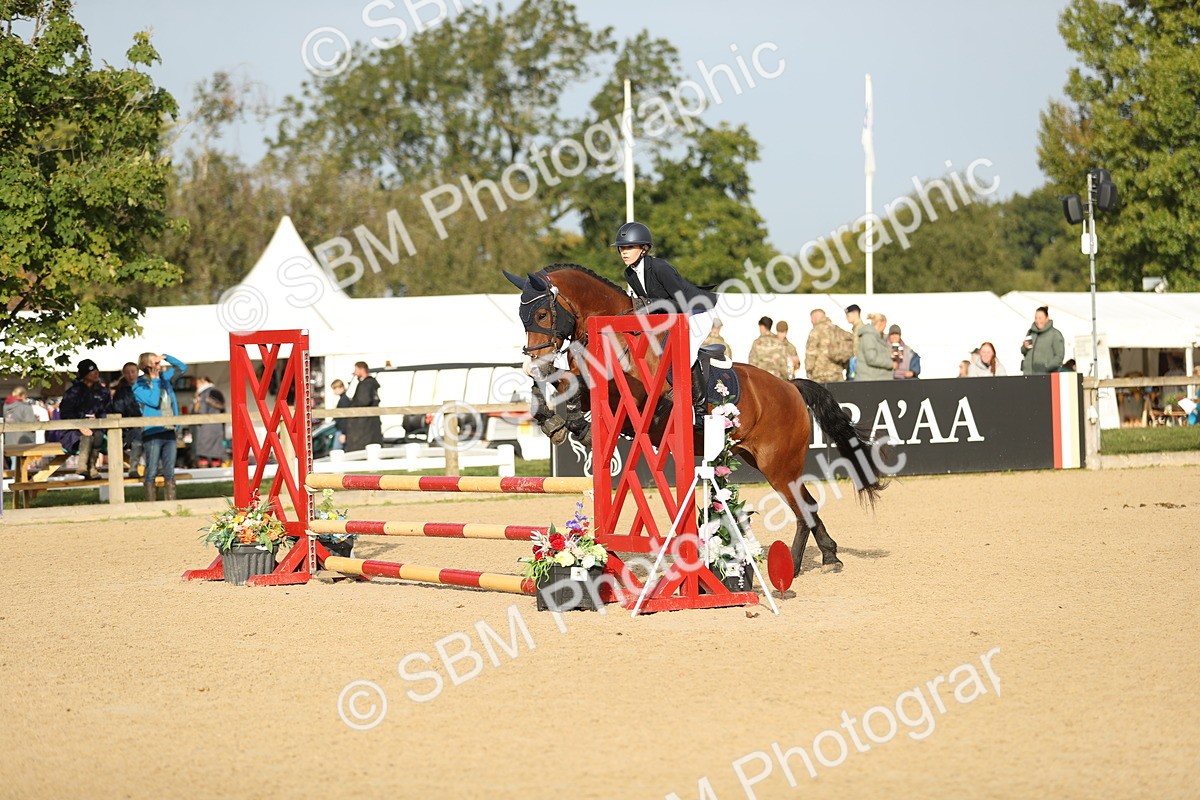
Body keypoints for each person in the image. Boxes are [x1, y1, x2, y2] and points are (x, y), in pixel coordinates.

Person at [611, 221, 720, 424]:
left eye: (629, 247)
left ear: (644, 249)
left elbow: (682, 302)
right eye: (622, 248)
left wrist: (652, 303)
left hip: (697, 310)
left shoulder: (660, 268)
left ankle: (700, 409)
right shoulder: (630, 273)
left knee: (685, 354)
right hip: (673, 315)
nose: (624, 252)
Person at [134, 351, 187, 501]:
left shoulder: (164, 379)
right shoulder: (139, 385)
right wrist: (155, 380)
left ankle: (170, 503)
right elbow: (153, 401)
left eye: (158, 362)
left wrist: (166, 357)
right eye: (154, 363)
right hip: (152, 431)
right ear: (145, 366)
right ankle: (151, 504)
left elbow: (182, 368)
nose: (159, 365)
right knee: (151, 470)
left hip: (168, 428)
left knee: (169, 470)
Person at [59, 359, 113, 479]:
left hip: (97, 427)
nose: (95, 373)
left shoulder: (103, 392)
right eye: (91, 371)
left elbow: (108, 410)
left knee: (98, 435)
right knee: (87, 436)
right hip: (73, 430)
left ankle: (91, 467)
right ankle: (83, 466)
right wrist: (80, 425)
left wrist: (98, 418)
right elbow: (66, 412)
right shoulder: (73, 392)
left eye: (96, 370)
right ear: (84, 375)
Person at [110, 362, 144, 478]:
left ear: (138, 372)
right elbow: (118, 411)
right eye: (127, 373)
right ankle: (133, 468)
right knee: (138, 437)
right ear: (124, 374)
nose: (130, 375)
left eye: (133, 372)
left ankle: (157, 467)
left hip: (147, 424)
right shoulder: (121, 392)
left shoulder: (146, 387)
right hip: (129, 428)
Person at [343, 361, 383, 453]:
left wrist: (352, 408)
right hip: (370, 424)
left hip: (363, 426)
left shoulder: (366, 385)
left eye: (356, 369)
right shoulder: (370, 384)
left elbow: (363, 401)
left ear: (362, 369)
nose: (354, 372)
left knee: (360, 451)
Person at [191, 376, 226, 468]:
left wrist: (197, 402)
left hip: (206, 428)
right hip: (216, 426)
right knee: (214, 453)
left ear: (203, 381)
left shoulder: (205, 394)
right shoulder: (215, 392)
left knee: (205, 454)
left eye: (198, 383)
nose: (197, 385)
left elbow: (201, 412)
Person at [804, 309, 846, 383]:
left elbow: (811, 353)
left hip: (820, 375)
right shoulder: (837, 329)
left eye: (812, 319)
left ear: (815, 317)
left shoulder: (816, 331)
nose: (811, 321)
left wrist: (808, 370)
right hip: (837, 373)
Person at [1020, 306, 1065, 375]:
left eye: (1040, 318)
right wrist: (1025, 347)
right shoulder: (1031, 332)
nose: (1038, 321)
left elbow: (1059, 357)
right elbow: (1023, 351)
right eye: (1036, 318)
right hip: (1028, 374)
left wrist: (1046, 367)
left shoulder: (1055, 334)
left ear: (1047, 318)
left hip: (1045, 376)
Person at [855, 314, 895, 381]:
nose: (885, 327)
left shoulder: (876, 337)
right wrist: (891, 364)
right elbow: (871, 358)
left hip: (875, 378)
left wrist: (889, 354)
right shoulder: (868, 337)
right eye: (885, 324)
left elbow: (877, 353)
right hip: (869, 380)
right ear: (880, 323)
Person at [330, 379, 351, 451]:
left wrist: (343, 433)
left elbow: (345, 419)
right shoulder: (343, 399)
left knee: (336, 451)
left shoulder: (344, 400)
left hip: (341, 431)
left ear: (341, 387)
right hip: (341, 430)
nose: (334, 391)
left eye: (335, 388)